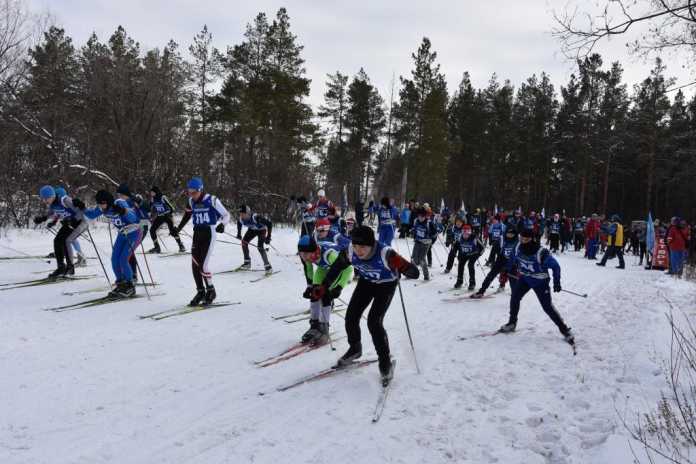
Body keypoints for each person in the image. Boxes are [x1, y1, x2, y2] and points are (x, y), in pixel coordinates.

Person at [337, 225, 419, 382]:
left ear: (372, 244)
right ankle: (355, 348)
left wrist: (402, 266)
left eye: (362, 247)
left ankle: (385, 361)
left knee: (374, 322)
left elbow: (415, 273)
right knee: (351, 316)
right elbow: (337, 267)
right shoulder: (349, 250)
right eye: (355, 246)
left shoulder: (385, 253)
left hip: (386, 285)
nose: (358, 250)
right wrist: (323, 286)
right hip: (366, 283)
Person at [499, 228, 574, 345]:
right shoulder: (518, 247)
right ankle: (512, 323)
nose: (523, 241)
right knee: (515, 297)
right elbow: (512, 259)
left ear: (532, 239)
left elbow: (555, 266)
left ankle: (564, 330)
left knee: (547, 307)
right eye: (521, 238)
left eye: (526, 239)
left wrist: (556, 282)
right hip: (524, 278)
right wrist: (505, 270)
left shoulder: (541, 253)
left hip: (540, 282)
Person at [175, 177, 230, 305]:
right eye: (190, 192)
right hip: (197, 233)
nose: (192, 195)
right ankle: (200, 292)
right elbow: (187, 215)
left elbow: (226, 215)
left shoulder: (212, 200)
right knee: (195, 264)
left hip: (209, 234)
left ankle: (211, 291)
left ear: (200, 190)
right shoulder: (191, 201)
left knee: (203, 265)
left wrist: (222, 224)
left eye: (194, 192)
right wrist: (178, 228)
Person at [82, 190, 141, 298]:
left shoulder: (119, 203)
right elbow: (91, 215)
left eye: (103, 203)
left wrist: (123, 211)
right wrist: (82, 207)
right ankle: (121, 283)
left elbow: (134, 218)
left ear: (109, 201)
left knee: (123, 259)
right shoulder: (103, 208)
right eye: (99, 203)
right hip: (122, 234)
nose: (101, 206)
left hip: (134, 233)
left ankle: (130, 286)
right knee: (114, 259)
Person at [298, 235, 353, 345]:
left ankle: (324, 328)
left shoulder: (330, 254)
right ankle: (314, 326)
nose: (304, 257)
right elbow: (308, 268)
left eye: (306, 254)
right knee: (314, 293)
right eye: (301, 254)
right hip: (324, 268)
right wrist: (309, 286)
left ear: (314, 251)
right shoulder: (307, 254)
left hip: (341, 271)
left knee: (325, 295)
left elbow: (348, 269)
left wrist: (339, 287)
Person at [33, 185, 88, 280]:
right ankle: (61, 267)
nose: (45, 201)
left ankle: (70, 268)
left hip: (80, 222)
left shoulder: (65, 200)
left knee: (67, 241)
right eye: (43, 199)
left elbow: (81, 211)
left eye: (46, 199)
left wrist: (73, 220)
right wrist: (43, 218)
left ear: (52, 195)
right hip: (69, 223)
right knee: (57, 241)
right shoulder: (52, 204)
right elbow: (51, 213)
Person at [472, 227, 518, 298]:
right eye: (508, 233)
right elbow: (494, 249)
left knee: (513, 278)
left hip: (513, 262)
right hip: (501, 259)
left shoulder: (518, 241)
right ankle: (481, 291)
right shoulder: (502, 239)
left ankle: (514, 294)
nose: (510, 235)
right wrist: (491, 260)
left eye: (512, 234)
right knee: (491, 275)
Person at [148, 186, 186, 253]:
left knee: (172, 231)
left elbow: (171, 207)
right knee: (152, 230)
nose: (151, 193)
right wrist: (151, 216)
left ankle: (181, 246)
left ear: (156, 192)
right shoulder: (153, 199)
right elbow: (152, 208)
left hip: (167, 216)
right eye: (151, 192)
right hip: (160, 216)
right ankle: (157, 247)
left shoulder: (163, 197)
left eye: (152, 192)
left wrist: (169, 213)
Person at [236, 205, 273, 274]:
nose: (241, 215)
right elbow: (239, 223)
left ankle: (268, 267)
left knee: (260, 247)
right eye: (240, 213)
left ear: (248, 213)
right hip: (252, 230)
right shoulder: (241, 219)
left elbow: (269, 224)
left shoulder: (256, 217)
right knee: (244, 242)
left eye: (243, 213)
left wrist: (268, 237)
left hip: (261, 230)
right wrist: (239, 233)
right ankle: (247, 263)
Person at [410, 207, 437, 281]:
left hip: (425, 243)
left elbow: (435, 233)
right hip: (418, 241)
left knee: (422, 259)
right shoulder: (416, 221)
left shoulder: (429, 223)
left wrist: (432, 240)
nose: (420, 218)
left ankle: (426, 275)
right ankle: (410, 272)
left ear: (425, 216)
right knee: (413, 258)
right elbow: (415, 229)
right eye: (419, 216)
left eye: (422, 216)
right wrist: (412, 232)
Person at [455, 224, 484, 290]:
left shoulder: (475, 238)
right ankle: (459, 281)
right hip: (464, 254)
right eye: (464, 234)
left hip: (473, 254)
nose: (465, 236)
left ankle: (472, 283)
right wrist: (455, 252)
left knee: (470, 265)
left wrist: (478, 254)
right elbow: (456, 246)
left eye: (467, 234)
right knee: (460, 265)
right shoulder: (460, 237)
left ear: (470, 233)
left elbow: (482, 247)